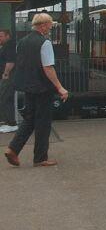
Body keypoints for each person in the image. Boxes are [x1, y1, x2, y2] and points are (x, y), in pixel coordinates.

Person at [4, 13, 68, 168]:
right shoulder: (44, 43)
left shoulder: (22, 42)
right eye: (49, 25)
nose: (51, 27)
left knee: (30, 119)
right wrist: (60, 87)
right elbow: (48, 68)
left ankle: (13, 149)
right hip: (42, 88)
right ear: (43, 25)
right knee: (43, 122)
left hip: (28, 87)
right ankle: (40, 158)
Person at [0, 28, 17, 133]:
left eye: (1, 36)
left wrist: (6, 74)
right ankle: (6, 121)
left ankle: (11, 123)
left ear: (7, 36)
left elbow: (10, 61)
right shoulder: (5, 46)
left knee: (6, 98)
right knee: (3, 98)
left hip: (8, 77)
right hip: (6, 77)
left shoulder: (9, 46)